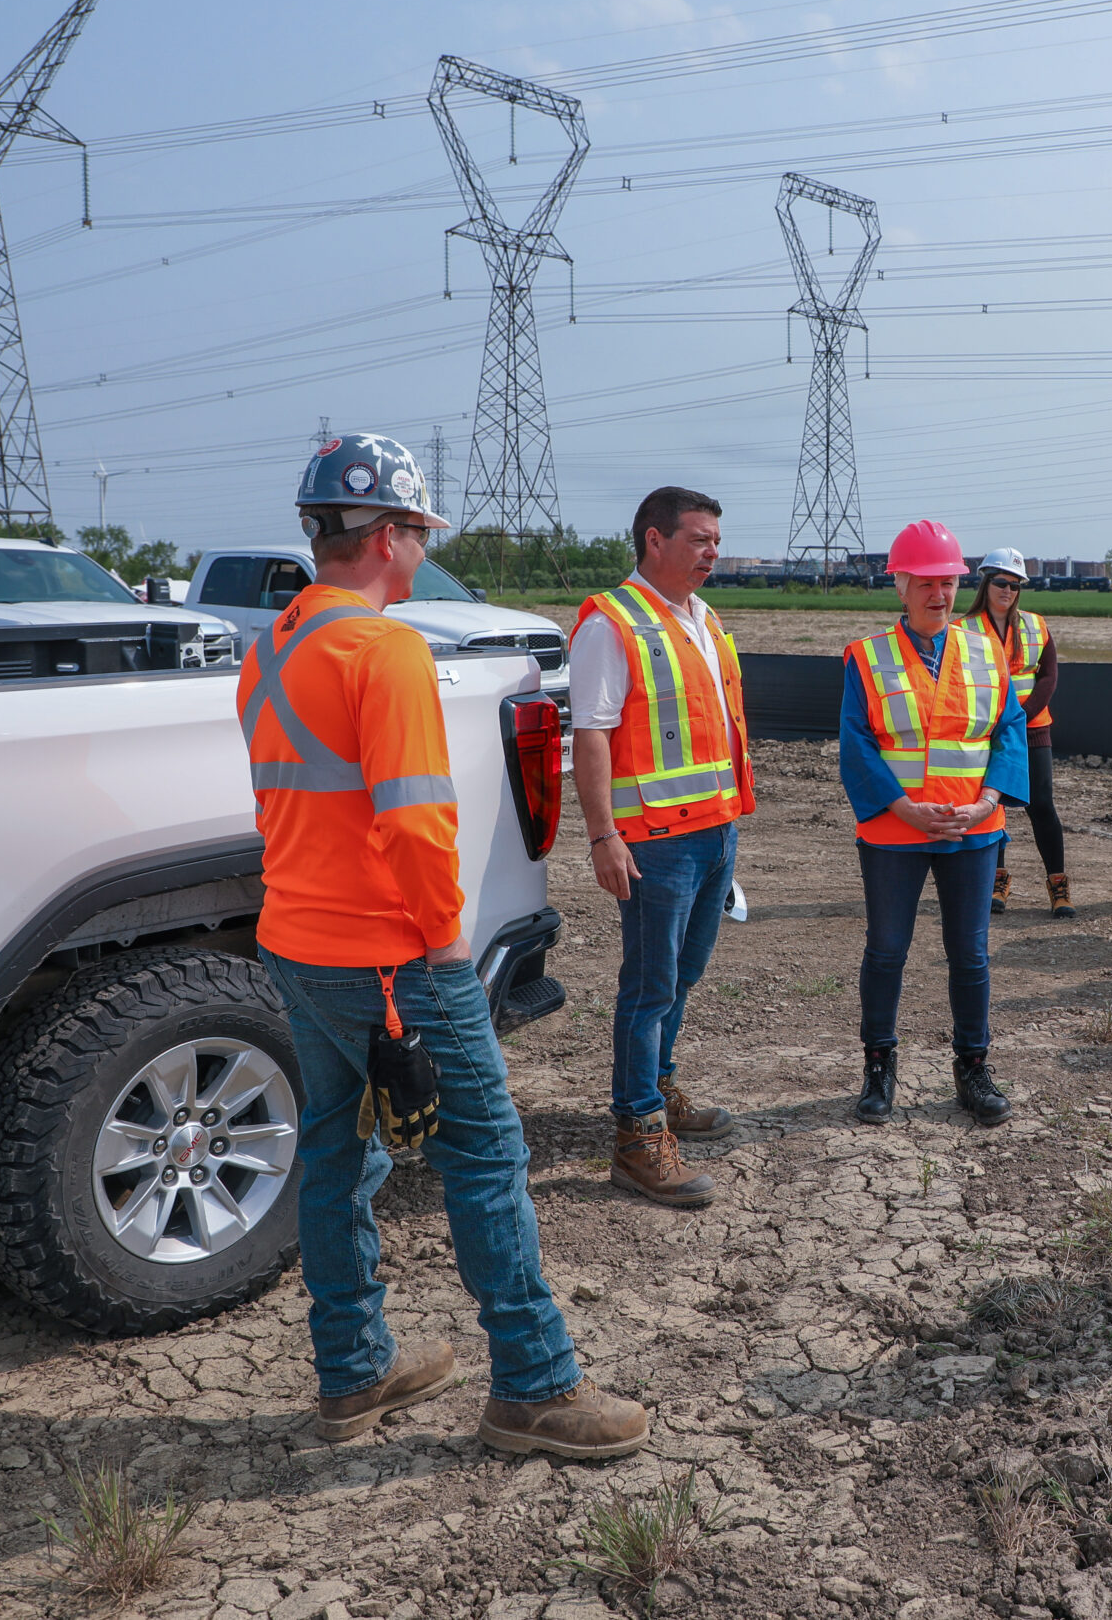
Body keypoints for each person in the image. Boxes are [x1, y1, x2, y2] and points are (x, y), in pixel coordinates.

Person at [242, 432, 646, 1460]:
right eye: (418, 534)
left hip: (299, 944)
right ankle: (536, 1385)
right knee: (485, 1153)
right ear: (385, 535)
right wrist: (444, 946)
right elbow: (417, 822)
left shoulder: (273, 645)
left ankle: (354, 1371)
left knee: (340, 1152)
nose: (420, 554)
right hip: (392, 959)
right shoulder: (382, 651)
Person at [569, 486, 754, 1210]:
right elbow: (590, 737)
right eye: (700, 539)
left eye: (716, 539)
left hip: (713, 832)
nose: (714, 551)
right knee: (648, 986)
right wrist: (602, 835)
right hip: (653, 841)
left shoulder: (702, 619)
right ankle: (637, 1135)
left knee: (685, 971)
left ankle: (659, 1086)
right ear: (655, 540)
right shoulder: (612, 624)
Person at [840, 521, 1028, 1128]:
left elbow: (1009, 729)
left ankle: (973, 1069)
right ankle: (878, 1067)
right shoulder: (866, 657)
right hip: (895, 833)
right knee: (886, 952)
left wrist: (988, 800)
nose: (938, 594)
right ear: (899, 584)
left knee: (970, 957)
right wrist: (902, 808)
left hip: (973, 830)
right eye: (924, 582)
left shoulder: (986, 650)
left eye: (946, 582)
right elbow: (857, 743)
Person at [963, 547, 1070, 919]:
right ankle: (997, 882)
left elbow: (1048, 676)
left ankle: (1058, 886)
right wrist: (997, 724)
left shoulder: (1036, 625)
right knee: (994, 808)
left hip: (1032, 729)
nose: (1007, 590)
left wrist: (1020, 718)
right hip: (986, 733)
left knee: (1042, 807)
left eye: (1015, 584)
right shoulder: (964, 629)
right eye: (1001, 582)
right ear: (986, 582)